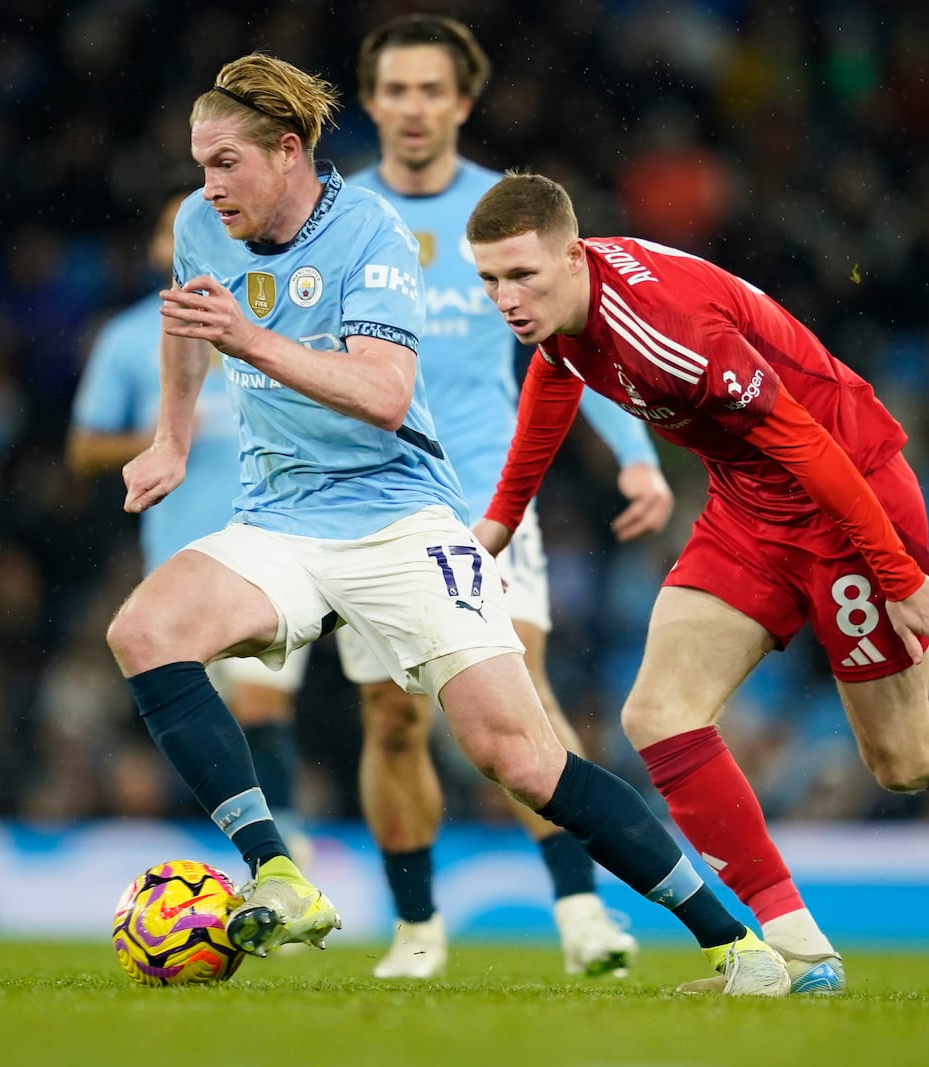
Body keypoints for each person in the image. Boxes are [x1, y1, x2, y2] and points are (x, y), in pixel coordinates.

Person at [103, 52, 795, 997]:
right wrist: (172, 441)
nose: (208, 185)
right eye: (200, 163)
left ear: (288, 150)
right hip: (277, 518)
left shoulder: (371, 235)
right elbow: (187, 323)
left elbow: (386, 395)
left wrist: (250, 338)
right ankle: (277, 870)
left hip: (399, 520)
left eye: (226, 163)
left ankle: (737, 944)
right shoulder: (198, 225)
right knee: (145, 630)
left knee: (520, 757)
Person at [464, 173, 929, 995]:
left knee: (906, 758)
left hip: (847, 495)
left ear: (571, 253)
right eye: (488, 279)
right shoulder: (567, 312)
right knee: (658, 712)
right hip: (748, 503)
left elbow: (809, 444)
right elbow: (556, 377)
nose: (505, 299)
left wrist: (899, 574)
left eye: (520, 276)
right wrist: (499, 521)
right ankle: (798, 954)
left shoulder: (668, 328)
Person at [345, 14, 667, 980]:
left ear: (461, 102)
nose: (412, 107)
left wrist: (636, 455)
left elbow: (583, 337)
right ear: (371, 102)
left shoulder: (508, 217)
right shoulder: (338, 219)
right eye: (395, 90)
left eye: (430, 89)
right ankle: (416, 932)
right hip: (370, 504)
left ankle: (581, 914)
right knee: (392, 719)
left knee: (516, 694)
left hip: (487, 504)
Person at [67, 191, 308, 847]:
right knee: (208, 715)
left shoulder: (270, 317)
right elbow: (84, 446)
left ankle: (283, 852)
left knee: (262, 701)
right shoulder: (126, 338)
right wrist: (154, 436)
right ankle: (257, 847)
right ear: (157, 248)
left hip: (267, 552)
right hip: (177, 558)